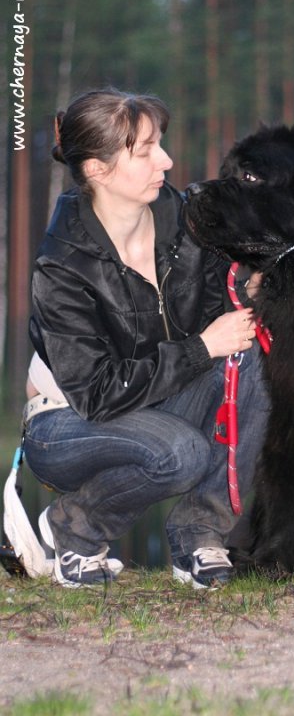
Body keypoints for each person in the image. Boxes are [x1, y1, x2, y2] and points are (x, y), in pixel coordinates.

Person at [23, 88, 269, 589]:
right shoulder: (62, 265)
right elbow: (96, 394)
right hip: (67, 422)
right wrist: (203, 347)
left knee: (251, 359)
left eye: (161, 143)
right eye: (146, 150)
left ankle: (201, 534)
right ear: (97, 169)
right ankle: (72, 528)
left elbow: (220, 312)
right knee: (180, 453)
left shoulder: (186, 223)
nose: (167, 159)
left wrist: (251, 288)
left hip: (156, 401)